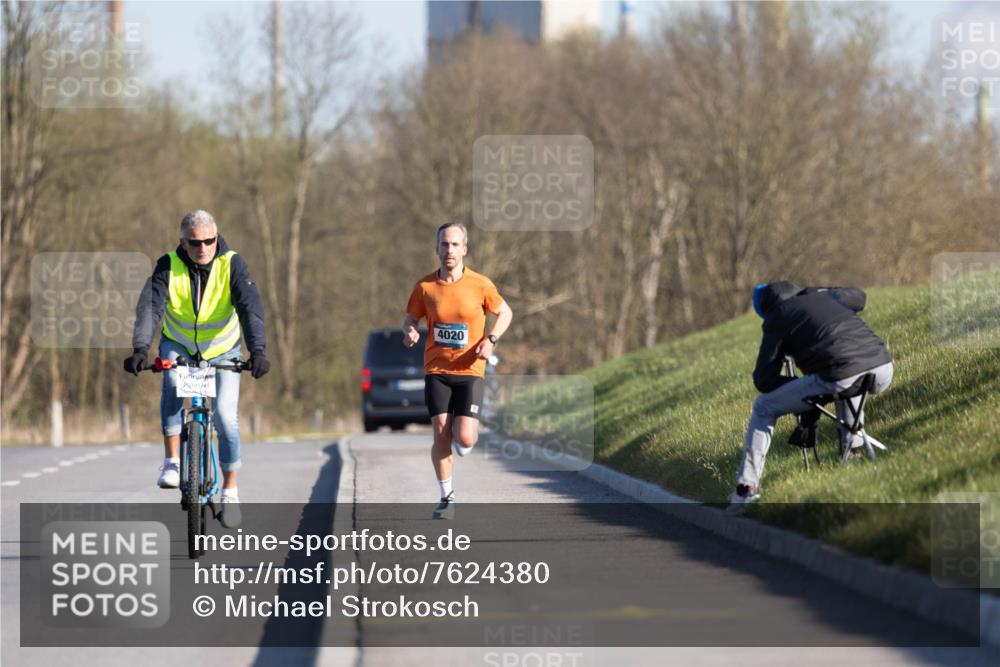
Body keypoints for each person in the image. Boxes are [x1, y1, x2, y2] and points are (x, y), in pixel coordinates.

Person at [124, 210, 269, 529]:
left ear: (217, 238)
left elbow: (250, 309)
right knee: (173, 384)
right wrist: (139, 349)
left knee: (226, 419)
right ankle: (172, 462)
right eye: (195, 242)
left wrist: (257, 351)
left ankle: (230, 490)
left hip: (223, 350)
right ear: (183, 243)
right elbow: (151, 307)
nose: (203, 247)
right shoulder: (168, 265)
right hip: (179, 345)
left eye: (209, 240)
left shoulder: (232, 264)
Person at [730, 281, 893, 509]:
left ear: (766, 310)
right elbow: (859, 296)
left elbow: (764, 381)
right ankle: (853, 456)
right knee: (846, 380)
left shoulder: (777, 318)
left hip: (842, 374)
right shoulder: (823, 295)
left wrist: (798, 384)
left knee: (763, 406)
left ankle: (745, 489)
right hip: (883, 367)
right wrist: (827, 292)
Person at [403, 221, 513, 519]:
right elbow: (410, 318)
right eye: (444, 244)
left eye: (454, 244)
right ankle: (446, 498)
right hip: (437, 368)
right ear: (437, 248)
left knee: (464, 437)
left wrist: (491, 339)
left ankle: (463, 440)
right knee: (440, 434)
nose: (449, 250)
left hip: (470, 369)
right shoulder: (425, 287)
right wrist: (411, 331)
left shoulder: (480, 284)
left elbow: (505, 312)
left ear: (464, 249)